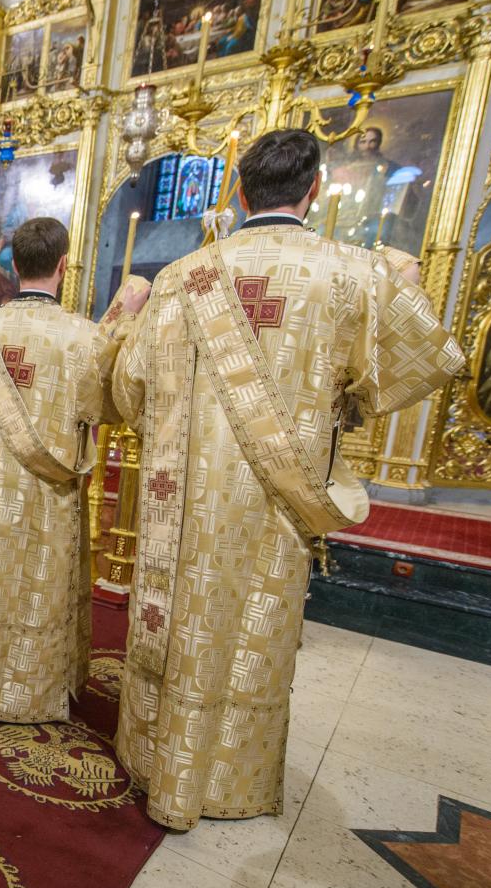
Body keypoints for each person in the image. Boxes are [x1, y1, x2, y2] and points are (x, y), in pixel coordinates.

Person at [111, 128, 464, 831]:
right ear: (317, 189)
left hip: (182, 504)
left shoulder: (184, 278)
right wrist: (406, 294)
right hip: (280, 500)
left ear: (239, 195)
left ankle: (161, 767)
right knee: (252, 633)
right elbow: (431, 360)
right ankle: (224, 784)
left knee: (182, 626)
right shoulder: (352, 273)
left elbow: (129, 390)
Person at [0, 218, 148, 723]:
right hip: (48, 499)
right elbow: (112, 407)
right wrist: (121, 324)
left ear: (12, 265)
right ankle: (33, 697)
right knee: (39, 588)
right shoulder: (82, 338)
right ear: (63, 266)